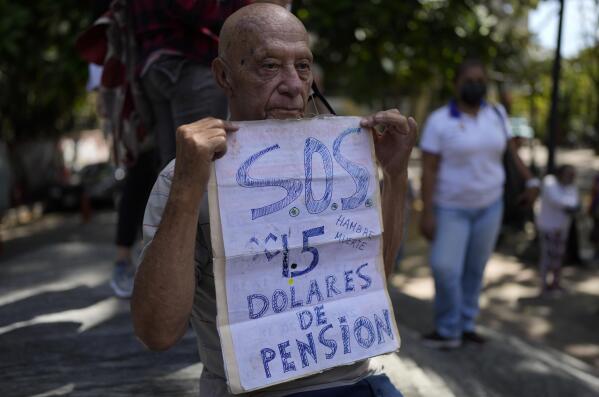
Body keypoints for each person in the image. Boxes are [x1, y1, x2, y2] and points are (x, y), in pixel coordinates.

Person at [131, 4, 417, 396]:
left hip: (355, 382)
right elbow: (157, 331)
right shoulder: (189, 175)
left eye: (302, 66)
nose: (294, 85)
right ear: (223, 76)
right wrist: (186, 187)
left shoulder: (339, 163)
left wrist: (395, 176)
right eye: (269, 66)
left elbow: (372, 286)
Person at [419, 59, 539, 349]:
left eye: (480, 79)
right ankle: (448, 328)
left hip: (490, 206)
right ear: (456, 84)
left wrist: (532, 181)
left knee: (475, 269)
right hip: (451, 209)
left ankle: (467, 324)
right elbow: (429, 170)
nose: (475, 85)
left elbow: (511, 153)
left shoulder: (497, 114)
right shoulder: (439, 121)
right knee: (445, 268)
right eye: (469, 80)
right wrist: (427, 212)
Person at [536, 165, 579, 295]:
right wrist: (571, 205)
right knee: (547, 258)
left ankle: (555, 284)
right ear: (560, 174)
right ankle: (544, 287)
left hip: (562, 228)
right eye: (569, 174)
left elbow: (575, 203)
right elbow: (561, 202)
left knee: (558, 258)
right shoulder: (550, 183)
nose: (572, 177)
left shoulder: (571, 186)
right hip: (549, 227)